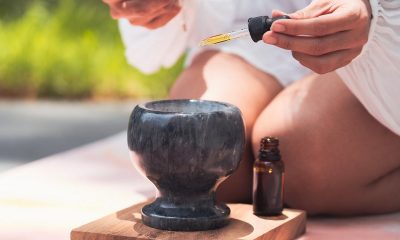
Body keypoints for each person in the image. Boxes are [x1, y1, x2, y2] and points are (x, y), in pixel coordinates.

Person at [103, 0, 400, 216]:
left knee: (294, 161)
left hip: (378, 38)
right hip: (247, 24)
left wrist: (373, 6)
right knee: (195, 155)